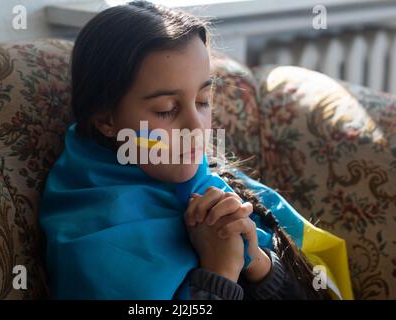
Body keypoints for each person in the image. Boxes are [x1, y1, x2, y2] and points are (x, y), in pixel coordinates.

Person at [39, 0, 333, 300]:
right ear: (105, 119)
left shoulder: (213, 183)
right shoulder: (94, 241)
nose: (197, 129)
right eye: (166, 110)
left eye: (203, 100)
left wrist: (256, 260)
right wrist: (221, 273)